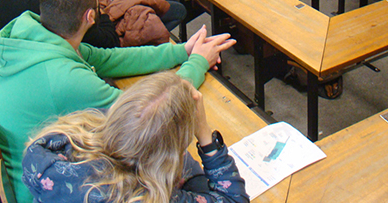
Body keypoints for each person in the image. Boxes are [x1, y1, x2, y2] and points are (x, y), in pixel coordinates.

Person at [0, 0, 235, 203]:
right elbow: (152, 111)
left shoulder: (31, 33)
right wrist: (199, 62)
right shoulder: (66, 79)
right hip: (44, 193)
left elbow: (108, 58)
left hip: (36, 173)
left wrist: (182, 51)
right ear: (91, 16)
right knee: (182, 163)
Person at [22, 71, 248, 203]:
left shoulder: (58, 147)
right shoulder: (148, 197)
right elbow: (235, 199)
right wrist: (205, 135)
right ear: (166, 157)